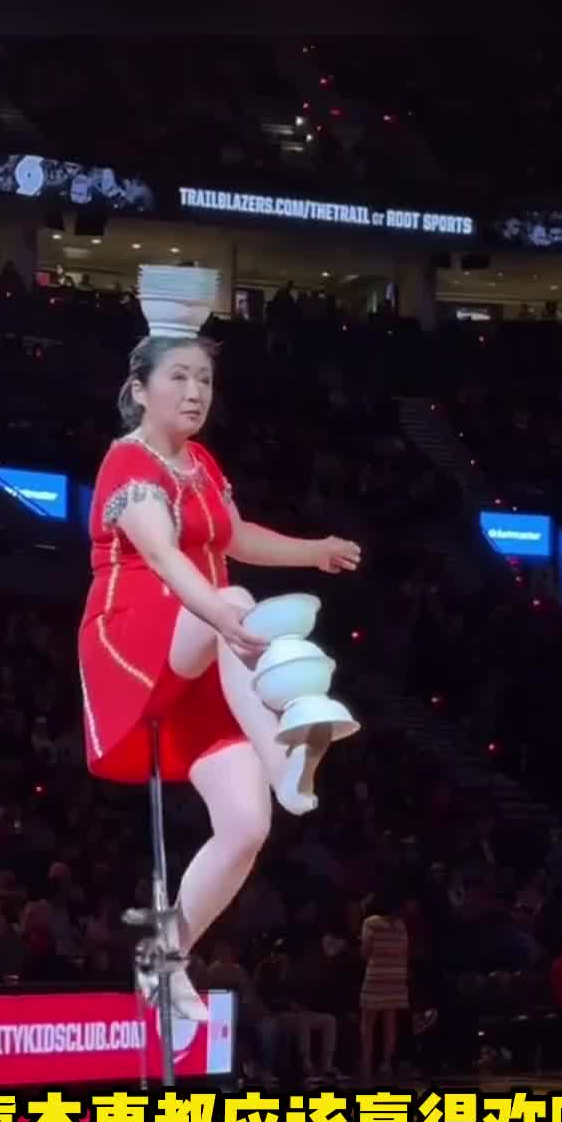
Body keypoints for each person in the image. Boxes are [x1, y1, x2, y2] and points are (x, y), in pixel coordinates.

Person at [78, 265, 361, 1022]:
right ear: (139, 389)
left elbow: (233, 537)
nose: (196, 392)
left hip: (210, 646)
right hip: (135, 633)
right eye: (179, 377)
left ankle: (164, 956)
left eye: (204, 378)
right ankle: (288, 755)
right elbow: (168, 562)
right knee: (232, 597)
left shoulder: (201, 463)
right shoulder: (127, 463)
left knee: (246, 825)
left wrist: (313, 551)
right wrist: (224, 613)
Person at [359, 880, 410, 1079]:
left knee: (368, 1022)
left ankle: (366, 1064)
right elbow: (405, 950)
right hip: (396, 976)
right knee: (390, 1022)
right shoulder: (400, 925)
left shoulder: (370, 923)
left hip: (376, 975)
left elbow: (365, 952)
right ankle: (386, 1063)